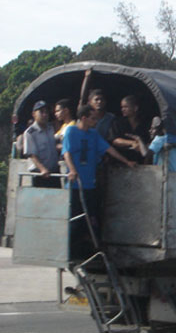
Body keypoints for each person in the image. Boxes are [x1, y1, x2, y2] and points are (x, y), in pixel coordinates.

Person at [62, 105, 137, 256]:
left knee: (92, 217)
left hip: (89, 183)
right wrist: (72, 170)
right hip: (76, 184)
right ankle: (68, 250)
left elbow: (109, 149)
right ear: (84, 118)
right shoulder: (71, 131)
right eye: (93, 118)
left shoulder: (93, 134)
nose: (96, 121)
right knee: (74, 219)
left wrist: (126, 161)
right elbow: (67, 153)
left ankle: (92, 249)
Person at [22, 100, 60, 188]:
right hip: (40, 173)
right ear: (34, 114)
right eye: (41, 112)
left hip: (54, 172)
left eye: (46, 112)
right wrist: (42, 169)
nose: (45, 115)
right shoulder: (30, 133)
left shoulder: (50, 129)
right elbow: (32, 154)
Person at [109, 95, 149, 162]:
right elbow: (115, 140)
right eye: (122, 107)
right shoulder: (117, 122)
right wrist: (132, 143)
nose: (123, 109)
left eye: (126, 107)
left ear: (135, 108)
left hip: (140, 162)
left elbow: (148, 143)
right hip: (120, 162)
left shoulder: (144, 124)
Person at [80, 69, 115, 142]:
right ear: (90, 102)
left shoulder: (111, 118)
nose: (99, 102)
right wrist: (87, 78)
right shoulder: (86, 115)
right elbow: (82, 99)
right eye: (96, 99)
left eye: (102, 99)